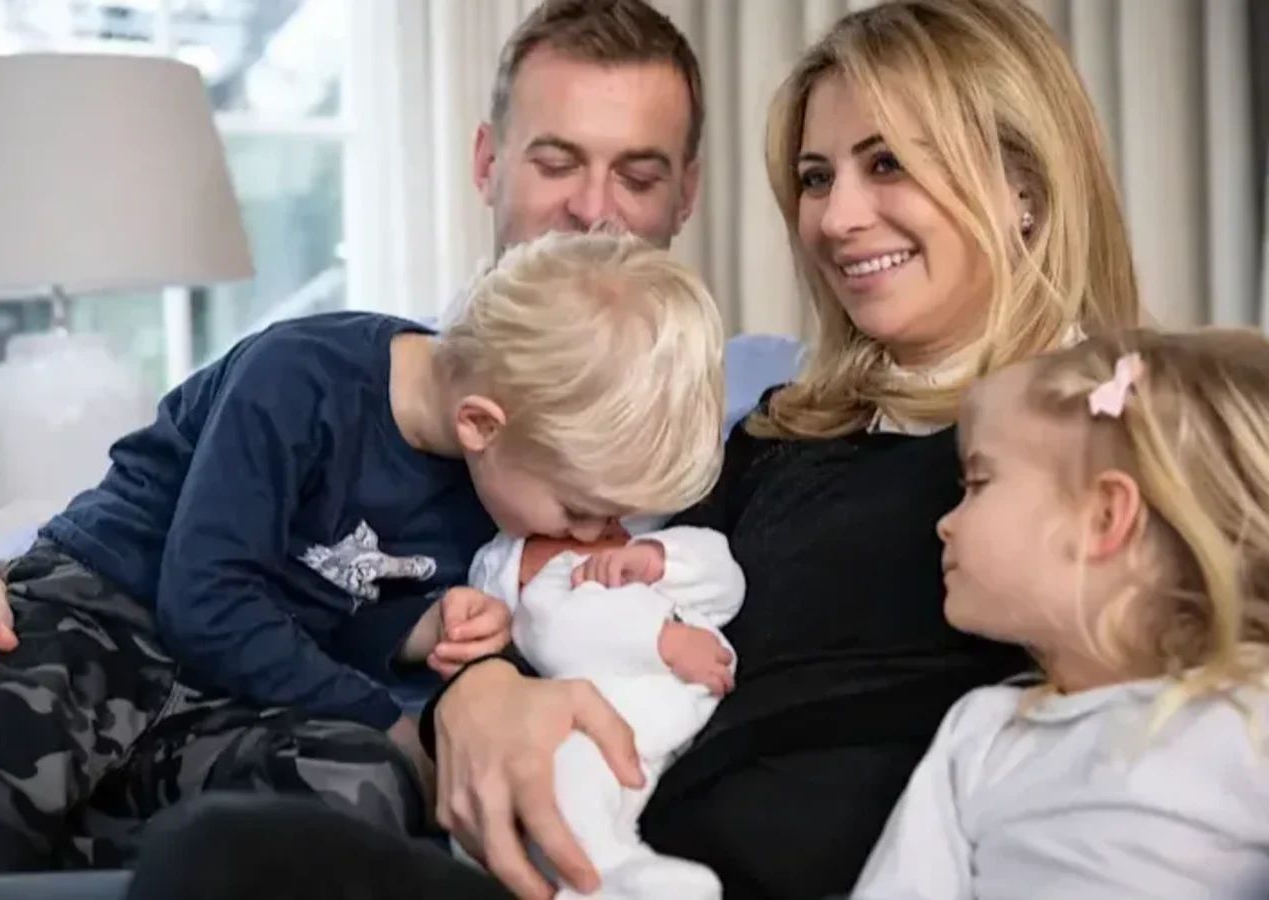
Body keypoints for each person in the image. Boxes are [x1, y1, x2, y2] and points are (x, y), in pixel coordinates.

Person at [415, 1, 1142, 899]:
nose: (836, 219)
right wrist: (478, 692)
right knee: (244, 850)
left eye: (887, 164)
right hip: (597, 858)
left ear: (1022, 187)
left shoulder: (1102, 440)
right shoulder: (775, 433)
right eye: (814, 176)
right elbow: (589, 593)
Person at [0, 228, 731, 896]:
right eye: (582, 511)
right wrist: (389, 717)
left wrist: (421, 631)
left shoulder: (499, 478)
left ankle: (92, 848)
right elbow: (207, 596)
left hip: (227, 699)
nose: (591, 538)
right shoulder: (300, 377)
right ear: (481, 425)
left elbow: (345, 593)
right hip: (104, 621)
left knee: (365, 782)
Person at [853, 328, 1269, 898]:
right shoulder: (981, 738)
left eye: (978, 482)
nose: (944, 523)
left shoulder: (1249, 717)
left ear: (1104, 518)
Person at [459, 522, 744, 899]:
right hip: (605, 724)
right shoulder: (555, 588)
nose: (584, 541)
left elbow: (726, 579)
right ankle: (608, 875)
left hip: (692, 720)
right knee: (570, 785)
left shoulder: (651, 567)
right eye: (533, 561)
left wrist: (660, 559)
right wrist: (659, 640)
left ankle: (614, 873)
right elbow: (547, 631)